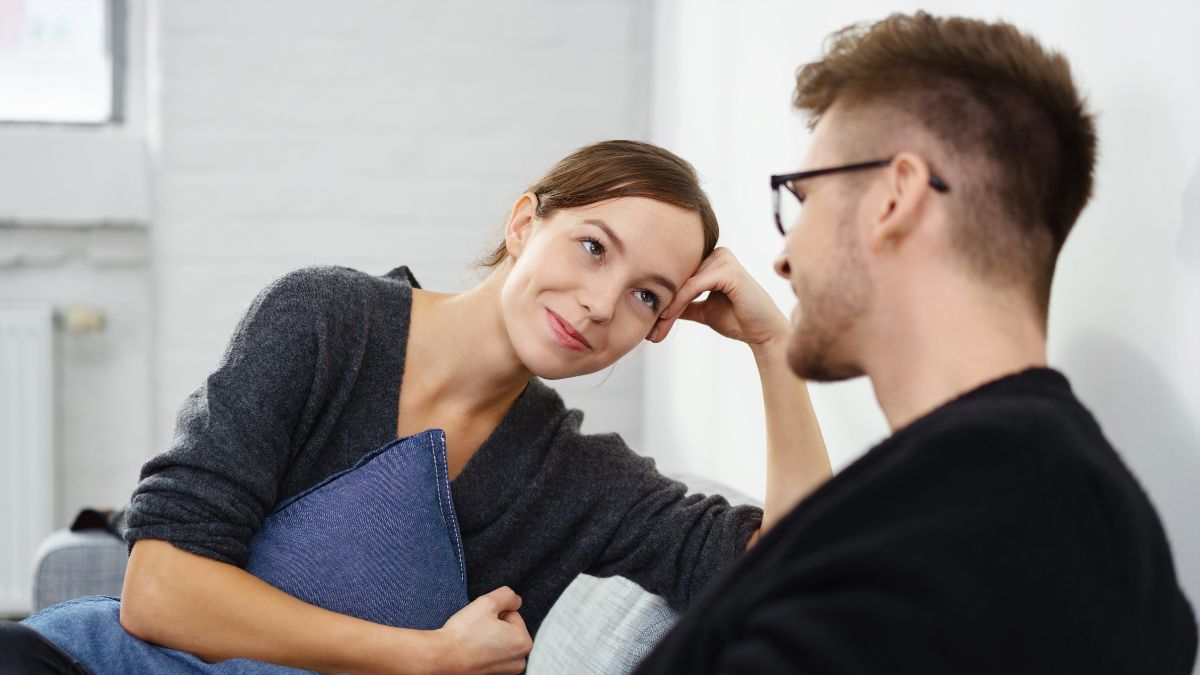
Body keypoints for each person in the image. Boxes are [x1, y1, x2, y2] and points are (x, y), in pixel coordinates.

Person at [0, 139, 831, 674]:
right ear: (522, 223)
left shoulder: (581, 481)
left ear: (657, 327)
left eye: (647, 295)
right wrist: (425, 656)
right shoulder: (325, 320)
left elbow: (796, 575)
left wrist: (774, 345)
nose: (598, 303)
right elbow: (158, 587)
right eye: (591, 247)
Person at [634, 11, 1199, 674]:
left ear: (893, 197)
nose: (784, 258)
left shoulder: (987, 519)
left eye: (803, 197)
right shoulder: (1027, 499)